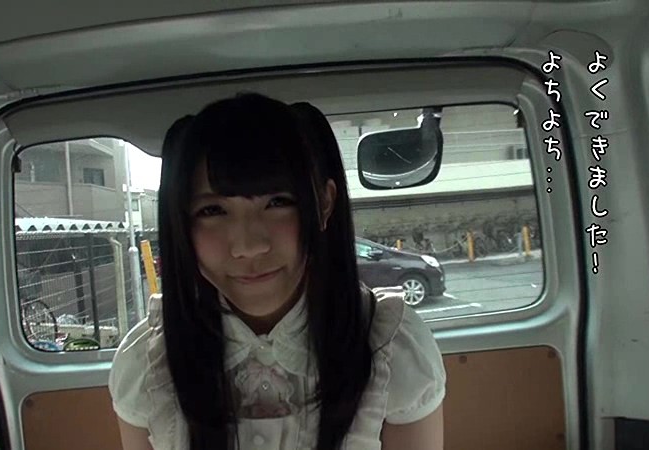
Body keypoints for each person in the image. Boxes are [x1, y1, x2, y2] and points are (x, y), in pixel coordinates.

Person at [108, 93, 446, 450]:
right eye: (212, 211)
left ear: (324, 204)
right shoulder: (146, 365)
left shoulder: (393, 349)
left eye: (278, 202)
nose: (248, 246)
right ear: (181, 223)